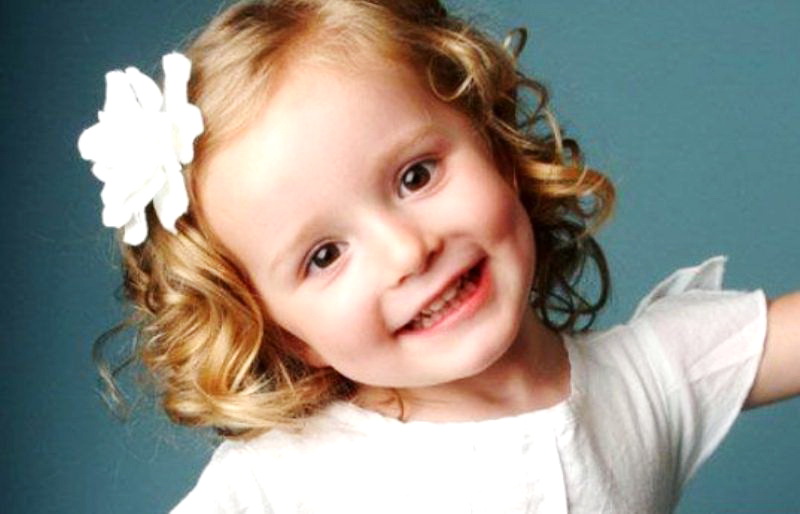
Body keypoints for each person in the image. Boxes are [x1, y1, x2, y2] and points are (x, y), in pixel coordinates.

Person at [77, 0, 799, 512]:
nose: (408, 251)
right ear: (287, 333)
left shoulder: (649, 379)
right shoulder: (280, 486)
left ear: (496, 145)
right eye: (324, 255)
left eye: (416, 176)